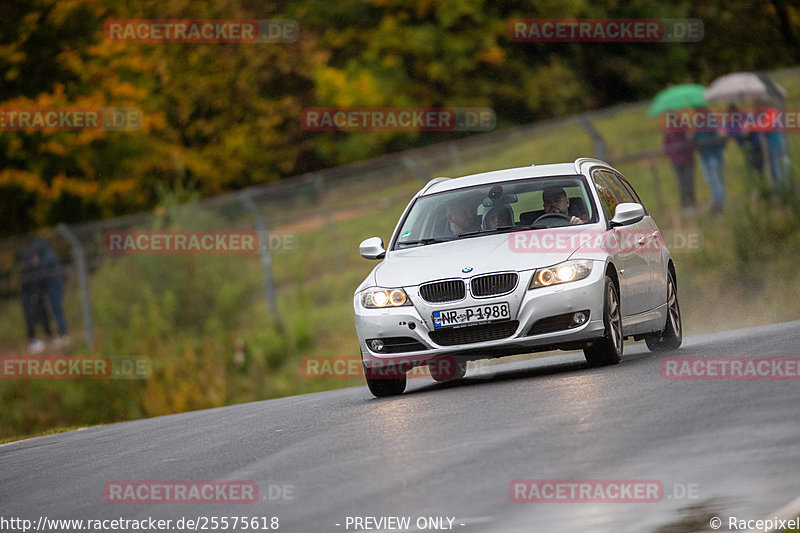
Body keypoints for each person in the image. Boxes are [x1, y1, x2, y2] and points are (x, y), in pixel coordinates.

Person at [20, 244, 52, 354]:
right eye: (35, 256)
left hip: (37, 298)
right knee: (31, 321)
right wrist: (33, 297)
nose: (37, 258)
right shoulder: (27, 270)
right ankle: (33, 341)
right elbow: (27, 286)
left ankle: (48, 335)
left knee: (44, 317)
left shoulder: (35, 268)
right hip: (30, 300)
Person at [692, 118, 727, 213]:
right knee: (713, 181)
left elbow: (721, 139)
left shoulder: (712, 125)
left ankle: (719, 204)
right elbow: (694, 142)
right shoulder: (698, 128)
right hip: (705, 156)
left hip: (713, 156)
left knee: (716, 181)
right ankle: (717, 203)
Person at [662, 130, 696, 213]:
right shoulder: (669, 133)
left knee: (689, 182)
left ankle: (692, 203)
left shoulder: (685, 130)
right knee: (682, 183)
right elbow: (666, 146)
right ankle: (685, 204)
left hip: (687, 160)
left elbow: (692, 143)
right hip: (677, 161)